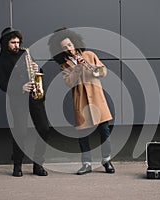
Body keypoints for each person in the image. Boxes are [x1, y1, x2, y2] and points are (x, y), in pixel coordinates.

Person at [48, 27, 115, 175]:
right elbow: (69, 83)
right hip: (81, 103)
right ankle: (86, 164)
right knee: (83, 136)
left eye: (69, 45)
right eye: (64, 47)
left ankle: (107, 161)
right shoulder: (64, 66)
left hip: (98, 100)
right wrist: (78, 68)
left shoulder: (89, 55)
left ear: (75, 43)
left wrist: (88, 65)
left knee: (104, 132)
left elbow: (103, 72)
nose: (68, 48)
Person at [0, 27, 50, 177]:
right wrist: (21, 87)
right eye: (13, 42)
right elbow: (2, 85)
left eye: (18, 42)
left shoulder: (25, 54)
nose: (17, 45)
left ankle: (38, 164)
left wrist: (38, 68)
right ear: (5, 43)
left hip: (34, 97)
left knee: (44, 129)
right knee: (20, 132)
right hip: (18, 99)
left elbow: (36, 73)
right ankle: (17, 165)